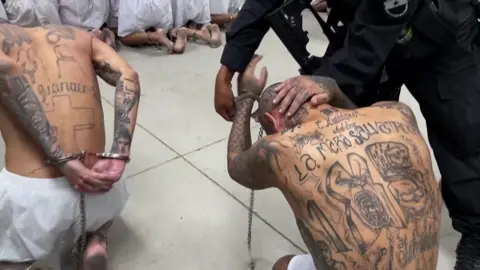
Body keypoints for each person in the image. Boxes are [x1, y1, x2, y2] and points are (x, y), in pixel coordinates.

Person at [215, 0, 480, 267]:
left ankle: (477, 236)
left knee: (464, 132)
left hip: (436, 32)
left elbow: (380, 28)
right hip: (363, 24)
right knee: (329, 125)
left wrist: (328, 79)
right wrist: (228, 67)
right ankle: (357, 234)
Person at [227, 56, 441, 269]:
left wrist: (246, 96)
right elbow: (357, 121)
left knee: (282, 266)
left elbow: (235, 163)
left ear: (273, 122)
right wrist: (335, 90)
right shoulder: (398, 113)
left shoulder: (280, 148)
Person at [0, 22, 140, 269]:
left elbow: (6, 69)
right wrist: (120, 153)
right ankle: (96, 236)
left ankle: (24, 261)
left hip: (32, 200)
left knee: (12, 245)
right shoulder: (79, 36)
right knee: (105, 209)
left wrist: (62, 159)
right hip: (101, 187)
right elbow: (127, 75)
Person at [117, 0, 187, 54]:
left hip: (138, 5)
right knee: (166, 28)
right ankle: (174, 32)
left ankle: (153, 36)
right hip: (161, 3)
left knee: (125, 37)